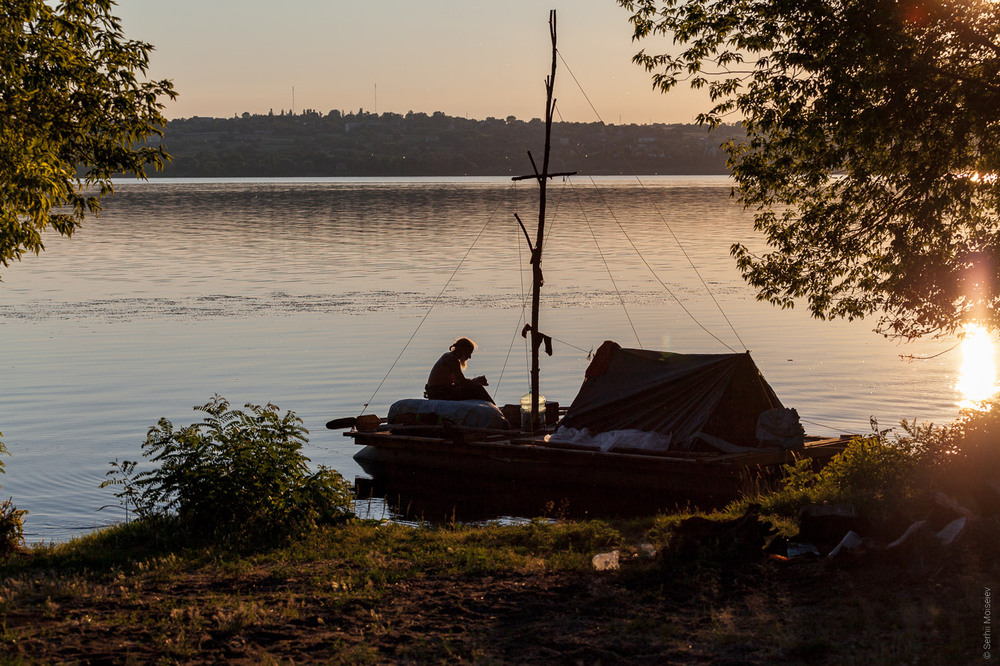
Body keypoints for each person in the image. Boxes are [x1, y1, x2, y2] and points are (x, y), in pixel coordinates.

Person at [425, 337, 495, 404]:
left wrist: (474, 381)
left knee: (475, 387)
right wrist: (476, 380)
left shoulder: (449, 356)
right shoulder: (452, 359)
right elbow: (462, 382)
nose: (469, 357)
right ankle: (497, 410)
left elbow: (458, 381)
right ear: (462, 350)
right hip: (439, 394)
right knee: (478, 388)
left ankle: (493, 408)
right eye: (469, 353)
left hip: (438, 392)